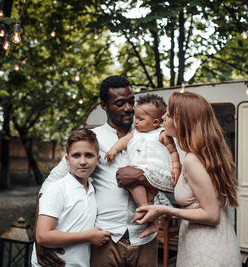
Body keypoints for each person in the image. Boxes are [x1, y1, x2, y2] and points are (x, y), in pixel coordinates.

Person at [35, 75, 158, 267]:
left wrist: (142, 177)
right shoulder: (93, 140)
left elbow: (169, 177)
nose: (128, 108)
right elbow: (51, 182)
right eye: (119, 103)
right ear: (104, 106)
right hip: (106, 238)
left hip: (145, 237)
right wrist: (39, 235)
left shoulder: (150, 136)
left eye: (131, 102)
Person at [136, 92, 242, 267]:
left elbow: (211, 215)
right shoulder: (203, 154)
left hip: (207, 252)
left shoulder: (193, 160)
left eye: (169, 114)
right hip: (215, 244)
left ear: (183, 121)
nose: (163, 117)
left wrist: (165, 210)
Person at [31, 129, 111, 267]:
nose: (82, 161)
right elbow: (42, 236)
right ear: (67, 160)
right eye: (76, 155)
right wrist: (89, 236)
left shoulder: (92, 190)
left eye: (89, 155)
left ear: (98, 159)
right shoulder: (57, 189)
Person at [104, 93, 181, 238]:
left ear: (155, 122)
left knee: (131, 180)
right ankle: (151, 222)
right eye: (135, 118)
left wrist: (175, 169)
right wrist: (113, 149)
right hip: (142, 173)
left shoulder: (162, 134)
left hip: (155, 172)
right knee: (146, 196)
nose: (136, 122)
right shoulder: (135, 133)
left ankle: (143, 208)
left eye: (140, 119)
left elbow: (173, 152)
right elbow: (123, 142)